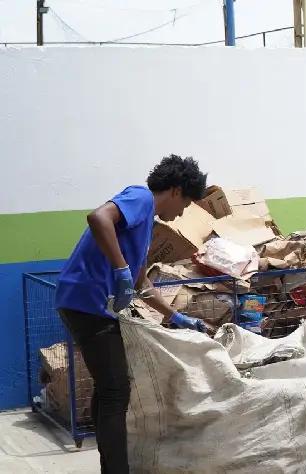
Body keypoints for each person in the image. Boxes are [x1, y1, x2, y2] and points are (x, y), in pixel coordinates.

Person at [55, 154, 209, 474]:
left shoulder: (146, 226)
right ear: (176, 191)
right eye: (186, 204)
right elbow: (98, 218)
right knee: (116, 390)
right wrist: (120, 268)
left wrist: (176, 316)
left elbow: (141, 282)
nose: (181, 214)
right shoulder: (140, 197)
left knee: (107, 388)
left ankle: (109, 467)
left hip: (88, 305)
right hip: (87, 303)